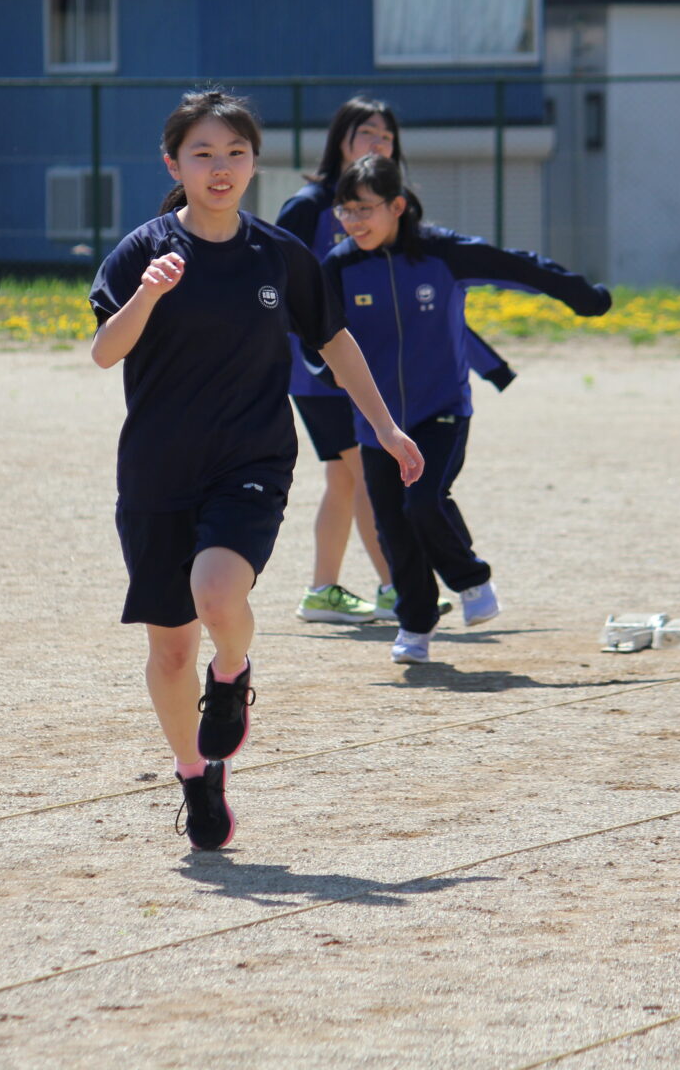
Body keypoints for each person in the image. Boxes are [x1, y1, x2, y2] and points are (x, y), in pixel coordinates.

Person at [89, 91, 423, 851]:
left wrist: (385, 426)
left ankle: (233, 671)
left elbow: (335, 343)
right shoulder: (144, 250)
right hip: (156, 471)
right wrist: (148, 294)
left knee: (216, 590)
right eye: (203, 154)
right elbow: (106, 351)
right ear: (173, 163)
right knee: (170, 649)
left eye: (235, 154)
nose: (220, 168)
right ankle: (194, 775)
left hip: (252, 458)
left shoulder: (278, 254)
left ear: (254, 164)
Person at [321, 153, 611, 666]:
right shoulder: (340, 266)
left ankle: (471, 581)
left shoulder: (442, 253)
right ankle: (416, 626)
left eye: (365, 209)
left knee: (424, 500)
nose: (354, 222)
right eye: (345, 210)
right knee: (392, 524)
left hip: (442, 409)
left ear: (397, 206)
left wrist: (580, 295)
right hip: (377, 422)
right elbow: (309, 325)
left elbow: (517, 265)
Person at [276, 97, 514, 624]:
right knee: (370, 475)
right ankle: (395, 586)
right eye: (368, 133)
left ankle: (323, 589)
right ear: (342, 139)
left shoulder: (390, 210)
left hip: (368, 369)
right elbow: (280, 282)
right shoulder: (310, 205)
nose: (380, 143)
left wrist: (486, 361)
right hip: (322, 374)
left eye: (387, 137)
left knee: (345, 479)